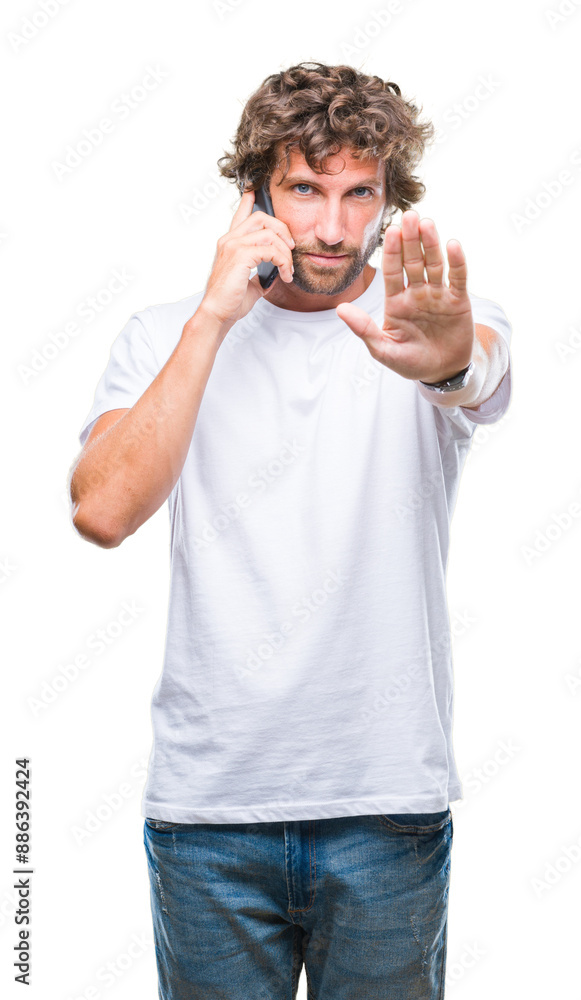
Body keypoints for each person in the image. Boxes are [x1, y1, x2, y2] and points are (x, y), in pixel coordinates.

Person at [69, 61, 512, 1000]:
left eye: (360, 194)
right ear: (255, 196)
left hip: (384, 808)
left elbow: (470, 367)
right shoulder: (162, 336)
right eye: (306, 189)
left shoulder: (426, 323)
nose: (333, 227)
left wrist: (444, 363)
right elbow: (102, 512)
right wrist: (213, 318)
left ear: (389, 200)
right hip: (209, 816)